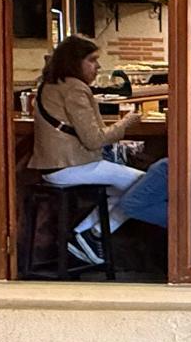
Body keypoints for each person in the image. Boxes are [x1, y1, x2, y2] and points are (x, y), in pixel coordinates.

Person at [31, 35, 142, 264]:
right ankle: (94, 234)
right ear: (75, 61)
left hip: (54, 166)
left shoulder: (49, 84)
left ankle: (82, 235)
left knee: (125, 189)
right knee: (146, 187)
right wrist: (126, 123)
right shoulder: (75, 88)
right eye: (92, 60)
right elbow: (93, 140)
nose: (98, 66)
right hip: (72, 165)